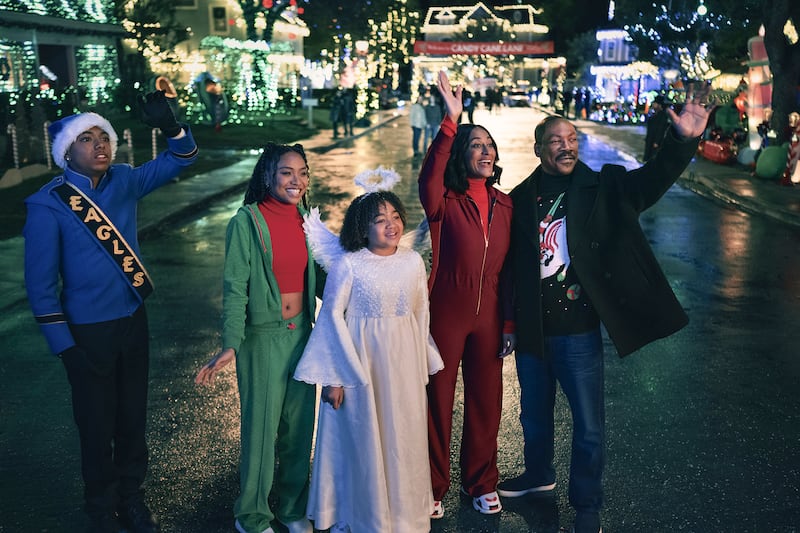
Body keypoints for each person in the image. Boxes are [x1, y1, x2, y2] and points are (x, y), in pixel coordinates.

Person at [498, 82, 715, 533]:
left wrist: (684, 140)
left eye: (571, 139)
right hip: (534, 331)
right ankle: (538, 476)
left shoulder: (605, 185)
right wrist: (508, 323)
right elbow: (505, 267)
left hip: (578, 331)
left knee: (589, 424)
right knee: (533, 415)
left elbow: (653, 180)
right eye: (555, 141)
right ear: (538, 149)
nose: (566, 146)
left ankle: (587, 504)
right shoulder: (518, 200)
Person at [23, 91, 197, 533]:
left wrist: (172, 126)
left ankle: (132, 496)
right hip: (86, 333)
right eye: (86, 139)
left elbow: (182, 158)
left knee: (132, 417)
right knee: (96, 424)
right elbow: (41, 289)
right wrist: (66, 348)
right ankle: (101, 506)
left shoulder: (124, 181)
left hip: (132, 322)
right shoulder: (48, 204)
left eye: (104, 137)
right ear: (67, 151)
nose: (100, 145)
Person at [294, 176, 444, 532]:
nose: (390, 224)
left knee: (402, 435)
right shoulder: (350, 264)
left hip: (403, 363)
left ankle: (403, 513)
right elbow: (330, 315)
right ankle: (362, 512)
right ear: (363, 229)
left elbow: (421, 311)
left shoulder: (411, 262)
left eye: (395, 216)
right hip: (359, 364)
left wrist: (420, 362)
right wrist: (335, 376)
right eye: (379, 219)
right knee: (362, 436)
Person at [195, 143, 325, 533]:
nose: (297, 181)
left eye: (302, 172)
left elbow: (327, 277)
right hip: (262, 339)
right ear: (268, 175)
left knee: (299, 432)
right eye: (287, 172)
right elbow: (235, 287)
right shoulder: (246, 222)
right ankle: (251, 516)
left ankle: (291, 508)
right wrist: (230, 343)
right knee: (262, 431)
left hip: (303, 335)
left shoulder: (307, 220)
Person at [418, 70, 515, 519]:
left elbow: (513, 269)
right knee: (437, 400)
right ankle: (433, 485)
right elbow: (429, 178)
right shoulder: (445, 201)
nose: (486, 151)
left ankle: (482, 480)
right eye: (476, 145)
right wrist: (450, 121)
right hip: (447, 310)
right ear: (462, 153)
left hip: (491, 312)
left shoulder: (506, 204)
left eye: (489, 146)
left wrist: (509, 321)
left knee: (486, 401)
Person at [643, 95, 671, 161]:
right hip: (650, 140)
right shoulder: (655, 114)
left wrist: (656, 141)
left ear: (659, 105)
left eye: (655, 103)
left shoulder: (662, 116)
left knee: (653, 158)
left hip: (655, 142)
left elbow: (660, 130)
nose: (653, 104)